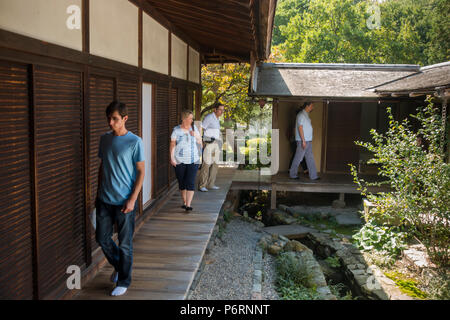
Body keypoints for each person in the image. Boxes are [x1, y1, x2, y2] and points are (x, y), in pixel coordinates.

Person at [96, 101, 145, 296]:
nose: (110, 122)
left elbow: (141, 172)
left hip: (125, 201)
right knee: (102, 238)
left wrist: (133, 199)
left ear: (124, 119)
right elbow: (103, 166)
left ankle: (124, 280)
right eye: (108, 118)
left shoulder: (135, 141)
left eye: (115, 119)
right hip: (104, 199)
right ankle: (120, 266)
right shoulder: (104, 139)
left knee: (125, 244)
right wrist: (97, 193)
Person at [170, 109, 202, 212]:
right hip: (179, 160)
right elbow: (172, 145)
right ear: (184, 119)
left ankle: (188, 205)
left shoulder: (194, 128)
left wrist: (196, 135)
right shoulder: (176, 130)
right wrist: (172, 158)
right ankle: (184, 202)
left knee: (190, 182)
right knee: (182, 183)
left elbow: (200, 142)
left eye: (192, 118)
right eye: (190, 118)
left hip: (193, 160)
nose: (192, 120)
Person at [289, 101, 319, 180]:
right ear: (307, 106)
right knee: (298, 157)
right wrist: (303, 140)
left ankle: (313, 176)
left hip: (308, 140)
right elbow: (300, 128)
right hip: (303, 141)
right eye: (312, 106)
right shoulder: (301, 115)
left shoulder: (306, 115)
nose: (313, 108)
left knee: (310, 158)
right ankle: (292, 174)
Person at [198, 104, 224, 192]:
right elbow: (201, 127)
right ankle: (202, 185)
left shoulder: (217, 118)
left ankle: (211, 184)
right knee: (206, 164)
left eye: (222, 110)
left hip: (216, 143)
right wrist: (201, 140)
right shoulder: (209, 117)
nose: (222, 112)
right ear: (215, 110)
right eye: (220, 110)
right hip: (208, 143)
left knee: (215, 164)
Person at [287, 107, 309, 175]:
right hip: (296, 141)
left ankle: (302, 169)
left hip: (295, 140)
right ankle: (293, 169)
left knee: (298, 155)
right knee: (298, 155)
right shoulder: (297, 121)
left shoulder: (297, 121)